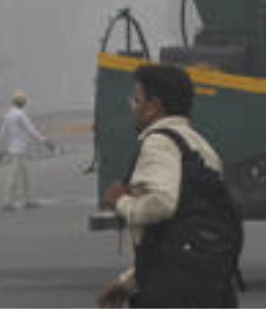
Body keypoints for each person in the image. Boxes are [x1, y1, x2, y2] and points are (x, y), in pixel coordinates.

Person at [99, 64, 243, 308]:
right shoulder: (200, 146)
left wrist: (120, 202)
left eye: (136, 100)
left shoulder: (158, 142)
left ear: (153, 106)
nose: (133, 108)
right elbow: (174, 235)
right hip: (213, 287)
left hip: (172, 294)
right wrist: (130, 283)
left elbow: (162, 205)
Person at [0, 90, 51, 211]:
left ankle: (29, 200)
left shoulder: (8, 114)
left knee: (26, 177)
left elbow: (2, 133)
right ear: (22, 102)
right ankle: (8, 202)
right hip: (19, 150)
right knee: (14, 176)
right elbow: (31, 130)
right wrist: (45, 141)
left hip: (14, 149)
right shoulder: (20, 115)